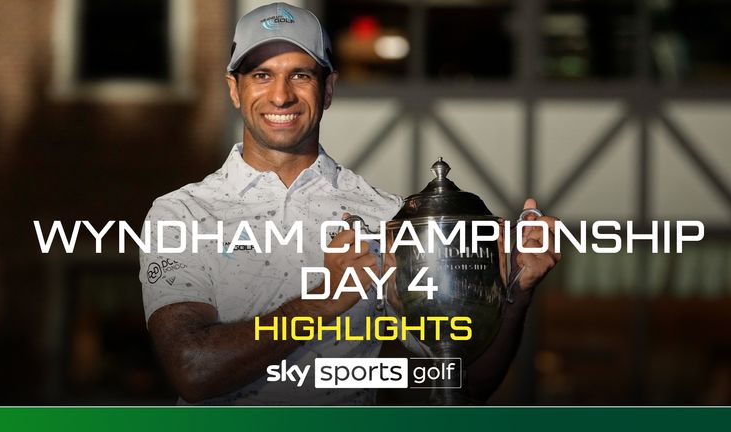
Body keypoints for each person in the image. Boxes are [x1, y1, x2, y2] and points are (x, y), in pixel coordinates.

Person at [139, 2, 560, 405]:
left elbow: (459, 384)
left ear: (329, 90)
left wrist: (516, 292)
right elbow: (194, 370)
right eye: (262, 75)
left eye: (301, 75)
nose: (281, 96)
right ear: (234, 89)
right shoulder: (184, 213)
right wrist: (325, 300)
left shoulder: (388, 218)